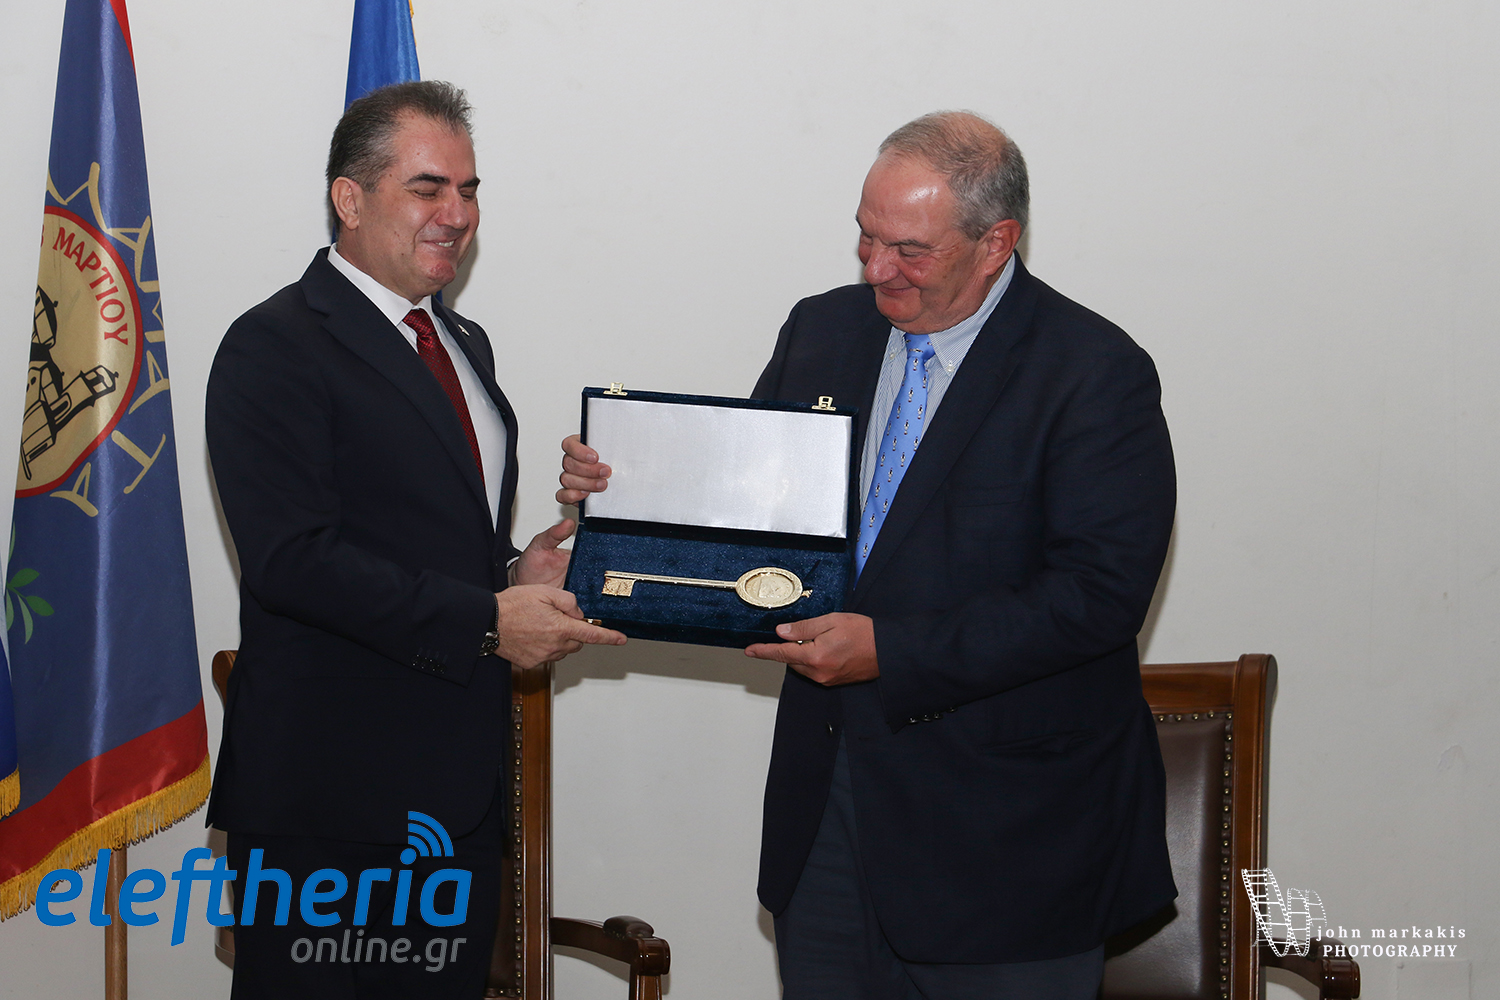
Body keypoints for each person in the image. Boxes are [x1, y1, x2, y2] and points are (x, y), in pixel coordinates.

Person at [560, 111, 1176, 998]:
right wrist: (624, 494)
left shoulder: (1092, 370)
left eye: (910, 250)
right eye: (866, 236)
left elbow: (1098, 597)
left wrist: (895, 650)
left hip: (1008, 842)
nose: (876, 268)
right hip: (828, 816)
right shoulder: (823, 330)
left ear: (995, 243)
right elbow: (751, 524)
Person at [206, 81, 625, 1000]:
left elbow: (430, 538)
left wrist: (517, 570)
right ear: (349, 199)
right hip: (329, 806)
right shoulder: (274, 344)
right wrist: (489, 620)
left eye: (469, 191)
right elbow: (293, 561)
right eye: (428, 188)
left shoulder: (462, 339)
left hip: (455, 800)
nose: (457, 214)